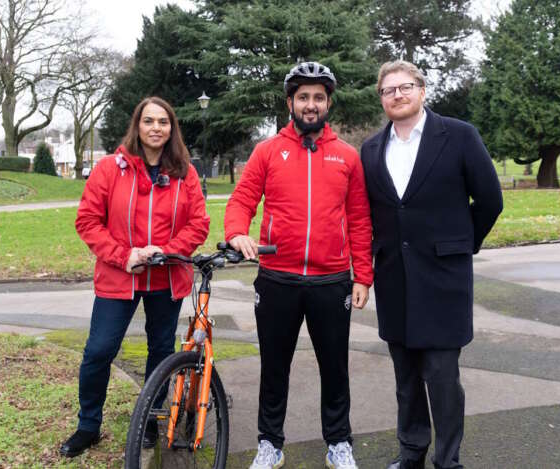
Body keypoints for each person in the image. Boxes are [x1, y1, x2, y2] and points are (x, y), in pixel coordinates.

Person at [225, 61, 373, 469]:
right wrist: (238, 230)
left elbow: (360, 219)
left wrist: (363, 274)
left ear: (328, 104)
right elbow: (241, 199)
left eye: (319, 98)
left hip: (332, 280)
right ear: (290, 102)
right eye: (304, 97)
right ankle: (270, 443)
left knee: (335, 367)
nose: (311, 105)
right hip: (277, 278)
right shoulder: (268, 151)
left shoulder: (346, 156)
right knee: (274, 366)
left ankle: (338, 442)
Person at [360, 60, 503, 469]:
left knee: (441, 377)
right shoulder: (371, 149)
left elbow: (490, 200)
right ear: (382, 99)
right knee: (405, 378)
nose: (397, 95)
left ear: (422, 91)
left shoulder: (458, 136)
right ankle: (411, 451)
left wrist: (459, 246)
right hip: (394, 279)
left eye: (405, 87)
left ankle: (448, 459)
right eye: (388, 91)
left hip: (444, 280)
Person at [60, 96, 210, 457]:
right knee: (99, 350)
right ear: (137, 126)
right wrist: (124, 255)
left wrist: (167, 251)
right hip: (119, 276)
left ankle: (149, 420)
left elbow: (198, 222)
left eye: (163, 122)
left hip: (166, 278)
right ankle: (88, 425)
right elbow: (88, 221)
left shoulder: (185, 172)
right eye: (149, 121)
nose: (156, 128)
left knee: (160, 352)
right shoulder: (110, 168)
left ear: (171, 128)